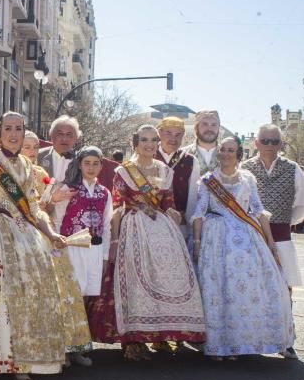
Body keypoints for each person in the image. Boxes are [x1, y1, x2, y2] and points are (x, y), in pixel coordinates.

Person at [0, 112, 68, 380]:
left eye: (19, 129)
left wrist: (50, 233)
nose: (14, 133)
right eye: (8, 129)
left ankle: (22, 363)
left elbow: (33, 208)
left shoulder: (27, 165)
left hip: (23, 236)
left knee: (25, 298)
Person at [92, 125, 206, 360]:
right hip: (133, 228)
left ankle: (160, 335)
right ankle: (133, 340)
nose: (150, 144)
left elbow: (168, 202)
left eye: (153, 139)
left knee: (167, 277)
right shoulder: (125, 171)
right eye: (144, 139)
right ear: (135, 143)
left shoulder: (165, 171)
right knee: (134, 283)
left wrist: (173, 214)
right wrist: (113, 240)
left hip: (162, 229)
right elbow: (116, 205)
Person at [190, 136, 293, 361]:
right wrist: (196, 244)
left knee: (251, 288)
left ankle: (244, 341)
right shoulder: (208, 180)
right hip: (216, 239)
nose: (226, 153)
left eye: (231, 150)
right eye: (223, 150)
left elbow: (258, 210)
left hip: (247, 239)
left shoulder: (248, 179)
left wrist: (271, 242)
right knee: (219, 290)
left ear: (239, 154)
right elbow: (199, 212)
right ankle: (220, 344)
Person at [243, 124, 304, 360]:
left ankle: (285, 340)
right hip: (252, 236)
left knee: (284, 288)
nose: (269, 146)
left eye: (274, 141)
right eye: (264, 141)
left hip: (281, 234)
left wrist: (285, 222)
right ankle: (252, 339)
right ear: (256, 143)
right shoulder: (244, 168)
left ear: (280, 144)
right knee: (254, 287)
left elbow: (301, 204)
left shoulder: (293, 169)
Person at [50, 146, 111, 362]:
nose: (91, 167)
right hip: (72, 247)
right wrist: (57, 246)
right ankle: (64, 347)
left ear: (101, 166)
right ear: (79, 164)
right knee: (69, 296)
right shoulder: (69, 188)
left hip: (94, 249)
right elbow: (58, 219)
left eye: (96, 163)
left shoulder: (105, 192)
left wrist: (104, 256)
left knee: (84, 297)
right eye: (87, 163)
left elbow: (107, 225)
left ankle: (78, 346)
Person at [155, 116, 199, 232]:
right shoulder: (148, 155)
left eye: (178, 134)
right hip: (149, 221)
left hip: (179, 224)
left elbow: (193, 196)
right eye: (169, 133)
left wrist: (188, 224)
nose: (173, 139)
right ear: (159, 133)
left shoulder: (190, 160)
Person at [181, 109, 221, 174]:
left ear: (219, 128)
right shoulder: (182, 155)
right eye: (205, 124)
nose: (209, 129)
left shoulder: (230, 156)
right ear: (196, 128)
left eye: (214, 125)